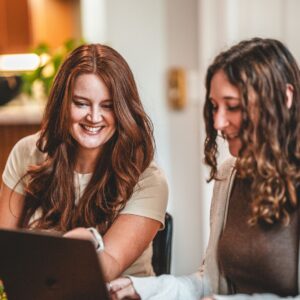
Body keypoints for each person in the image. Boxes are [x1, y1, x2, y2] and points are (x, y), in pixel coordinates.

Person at [109, 37, 300, 299]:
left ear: (285, 97)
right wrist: (144, 288)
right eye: (213, 107)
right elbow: (210, 283)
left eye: (233, 106)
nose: (219, 122)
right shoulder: (229, 175)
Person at [0, 44, 168, 281]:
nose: (94, 117)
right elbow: (5, 250)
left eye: (108, 106)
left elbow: (105, 270)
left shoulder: (148, 180)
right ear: (62, 103)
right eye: (81, 103)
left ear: (123, 110)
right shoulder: (27, 153)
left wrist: (83, 240)